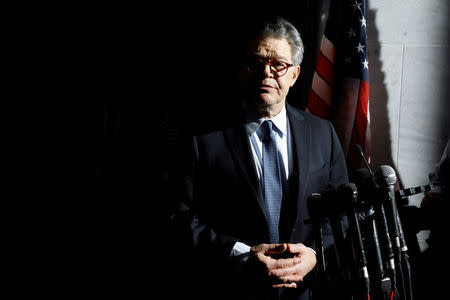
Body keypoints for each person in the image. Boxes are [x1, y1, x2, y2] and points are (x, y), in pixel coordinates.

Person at [168, 16, 349, 300]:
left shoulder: (322, 133)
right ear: (243, 70)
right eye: (256, 63)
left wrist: (313, 253)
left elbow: (341, 212)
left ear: (294, 74)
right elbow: (176, 215)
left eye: (278, 64)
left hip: (305, 292)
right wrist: (240, 253)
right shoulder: (201, 136)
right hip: (228, 288)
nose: (266, 73)